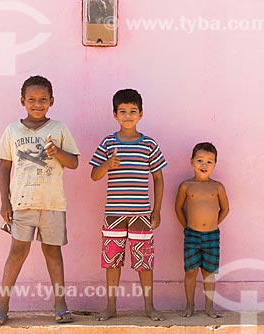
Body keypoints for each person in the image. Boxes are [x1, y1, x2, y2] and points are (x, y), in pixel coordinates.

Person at [0, 76, 80, 326]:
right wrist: (4, 202)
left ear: (51, 101)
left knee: (52, 251)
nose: (37, 104)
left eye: (42, 100)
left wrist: (57, 153)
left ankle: (60, 304)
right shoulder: (12, 130)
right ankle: (2, 304)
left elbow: (74, 162)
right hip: (22, 202)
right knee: (17, 253)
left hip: (52, 203)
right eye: (31, 100)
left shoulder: (59, 129)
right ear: (22, 101)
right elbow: (4, 166)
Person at [90, 89, 167, 321]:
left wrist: (157, 210)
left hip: (141, 215)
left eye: (133, 111)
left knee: (144, 262)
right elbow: (94, 175)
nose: (128, 116)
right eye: (122, 111)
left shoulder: (149, 145)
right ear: (115, 114)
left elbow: (158, 178)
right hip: (113, 214)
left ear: (141, 114)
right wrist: (107, 164)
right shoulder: (108, 142)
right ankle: (111, 307)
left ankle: (149, 307)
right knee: (112, 262)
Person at [174, 142, 229, 318]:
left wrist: (214, 223)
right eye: (199, 160)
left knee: (209, 272)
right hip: (191, 234)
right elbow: (178, 208)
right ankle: (189, 305)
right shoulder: (186, 186)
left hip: (212, 235)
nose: (204, 165)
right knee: (190, 271)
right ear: (191, 161)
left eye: (209, 162)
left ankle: (209, 307)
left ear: (215, 164)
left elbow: (225, 209)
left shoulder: (217, 187)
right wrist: (187, 227)